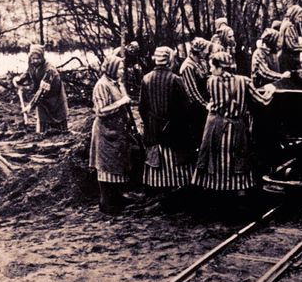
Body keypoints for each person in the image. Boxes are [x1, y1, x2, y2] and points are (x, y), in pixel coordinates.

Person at [192, 51, 276, 193]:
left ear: (221, 68)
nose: (210, 70)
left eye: (212, 67)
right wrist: (270, 90)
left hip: (216, 126)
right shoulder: (244, 81)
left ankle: (216, 187)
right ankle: (239, 189)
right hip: (237, 127)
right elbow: (262, 101)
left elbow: (215, 102)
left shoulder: (211, 82)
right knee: (238, 157)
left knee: (216, 156)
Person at [139, 46, 193, 189]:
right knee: (178, 167)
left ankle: (160, 188)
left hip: (154, 131)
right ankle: (177, 190)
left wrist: (150, 123)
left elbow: (142, 108)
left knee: (158, 164)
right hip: (174, 131)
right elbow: (186, 107)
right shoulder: (175, 79)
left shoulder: (146, 79)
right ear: (170, 60)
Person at [90, 55, 136, 215]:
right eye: (120, 68)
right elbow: (100, 111)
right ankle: (107, 204)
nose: (122, 71)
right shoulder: (101, 85)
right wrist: (121, 103)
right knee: (106, 167)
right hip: (106, 131)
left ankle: (118, 198)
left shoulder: (116, 83)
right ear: (112, 69)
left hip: (117, 130)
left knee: (117, 164)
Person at [16, 45, 69, 134]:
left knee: (59, 124)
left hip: (55, 99)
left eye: (37, 58)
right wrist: (19, 80)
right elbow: (28, 73)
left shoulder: (49, 70)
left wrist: (30, 106)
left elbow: (42, 90)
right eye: (33, 58)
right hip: (43, 100)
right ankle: (41, 135)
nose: (35, 61)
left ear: (42, 57)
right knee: (42, 122)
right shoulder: (32, 64)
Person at [178, 37, 213, 152]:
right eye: (206, 50)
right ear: (200, 51)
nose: (208, 52)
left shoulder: (201, 62)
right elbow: (192, 91)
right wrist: (205, 105)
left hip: (204, 103)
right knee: (198, 133)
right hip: (195, 107)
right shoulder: (188, 66)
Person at [278, 4, 302, 72]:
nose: (300, 19)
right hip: (287, 60)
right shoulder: (289, 26)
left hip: (287, 59)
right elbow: (291, 45)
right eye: (299, 17)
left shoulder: (289, 24)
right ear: (294, 15)